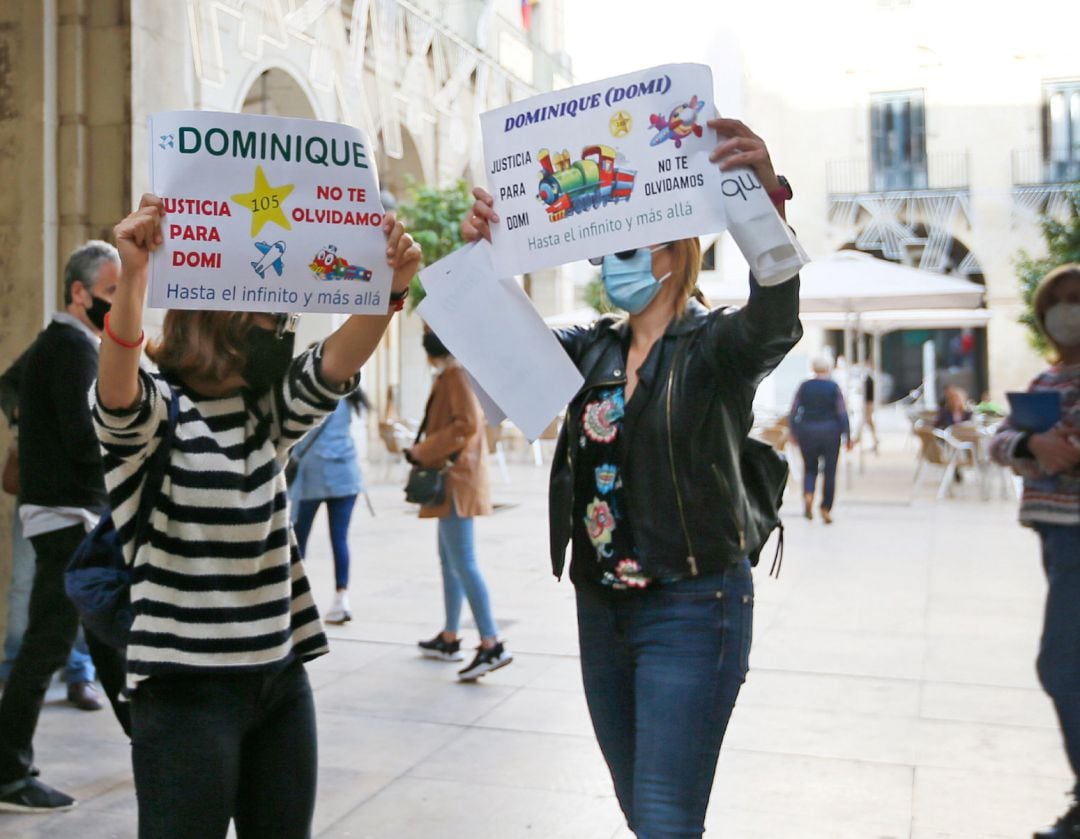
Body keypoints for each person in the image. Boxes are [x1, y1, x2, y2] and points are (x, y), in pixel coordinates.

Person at [462, 118, 801, 837]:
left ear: (675, 254)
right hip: (601, 607)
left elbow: (776, 313)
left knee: (664, 816)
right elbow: (497, 357)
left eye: (624, 247)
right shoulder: (590, 349)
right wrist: (485, 257)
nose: (609, 265)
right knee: (640, 809)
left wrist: (761, 197)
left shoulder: (716, 348)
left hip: (693, 602)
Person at [91, 194, 420, 838]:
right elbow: (118, 389)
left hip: (278, 676)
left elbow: (338, 362)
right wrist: (133, 276)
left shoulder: (262, 417)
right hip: (184, 689)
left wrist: (388, 286)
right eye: (270, 319)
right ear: (220, 322)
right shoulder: (158, 414)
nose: (282, 332)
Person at [0, 241, 132, 813]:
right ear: (79, 294)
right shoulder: (74, 348)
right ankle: (8, 772)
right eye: (110, 293)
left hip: (63, 512)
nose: (117, 304)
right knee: (49, 644)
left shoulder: (58, 344)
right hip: (66, 515)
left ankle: (152, 738)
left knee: (101, 636)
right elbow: (86, 442)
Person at [990, 263, 1080, 839]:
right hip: (1054, 533)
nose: (1067, 310)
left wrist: (1060, 450)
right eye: (1059, 301)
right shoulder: (1046, 383)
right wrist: (1032, 442)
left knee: (1062, 664)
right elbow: (1001, 440)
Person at [0, 349, 105, 712]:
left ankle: (79, 673)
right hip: (42, 487)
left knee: (80, 592)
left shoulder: (104, 349)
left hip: (83, 495)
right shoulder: (57, 347)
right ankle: (17, 669)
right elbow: (8, 386)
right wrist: (23, 418)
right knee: (26, 583)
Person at [408, 328, 512, 681]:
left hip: (455, 482)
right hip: (456, 481)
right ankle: (450, 636)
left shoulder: (455, 374)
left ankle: (491, 643)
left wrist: (422, 451)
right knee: (450, 560)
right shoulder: (457, 372)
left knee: (463, 562)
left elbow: (465, 425)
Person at [288, 393, 367, 624]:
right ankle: (341, 599)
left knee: (299, 539)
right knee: (339, 539)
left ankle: (294, 600)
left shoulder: (314, 395)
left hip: (314, 477)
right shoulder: (349, 399)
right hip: (346, 476)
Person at [789, 355, 852, 524]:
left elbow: (793, 411)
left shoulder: (804, 386)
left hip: (807, 431)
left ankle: (809, 495)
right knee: (830, 472)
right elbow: (842, 412)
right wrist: (848, 435)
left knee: (809, 468)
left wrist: (793, 432)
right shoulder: (833, 387)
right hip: (830, 432)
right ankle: (825, 508)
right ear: (828, 369)